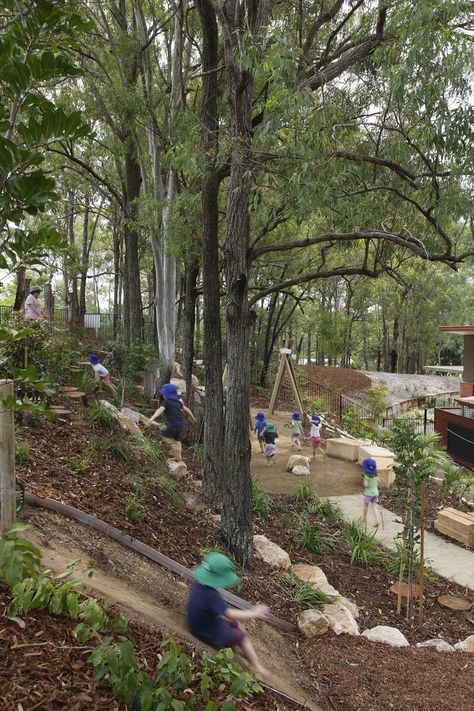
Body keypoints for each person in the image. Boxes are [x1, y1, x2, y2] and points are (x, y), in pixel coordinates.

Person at [186, 551, 270, 677]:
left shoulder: (200, 584)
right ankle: (256, 666)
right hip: (206, 632)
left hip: (197, 624)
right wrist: (254, 613)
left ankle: (240, 648)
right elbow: (230, 614)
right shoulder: (211, 595)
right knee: (242, 636)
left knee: (236, 625)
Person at [361, 457, 382, 528]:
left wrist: (364, 480)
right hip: (376, 493)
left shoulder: (366, 476)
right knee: (374, 506)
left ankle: (364, 518)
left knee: (365, 506)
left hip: (368, 494)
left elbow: (366, 485)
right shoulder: (376, 475)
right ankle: (377, 520)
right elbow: (379, 482)